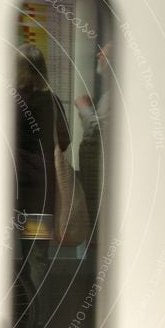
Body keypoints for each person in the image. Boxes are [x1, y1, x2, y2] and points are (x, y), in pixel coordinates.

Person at [15, 44, 70, 295]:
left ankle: (14, 309)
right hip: (40, 193)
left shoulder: (12, 100)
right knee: (36, 255)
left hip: (12, 192)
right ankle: (36, 318)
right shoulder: (52, 101)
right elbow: (65, 139)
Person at [74, 41, 111, 237]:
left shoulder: (116, 93)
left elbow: (97, 129)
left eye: (104, 52)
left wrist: (83, 108)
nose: (98, 55)